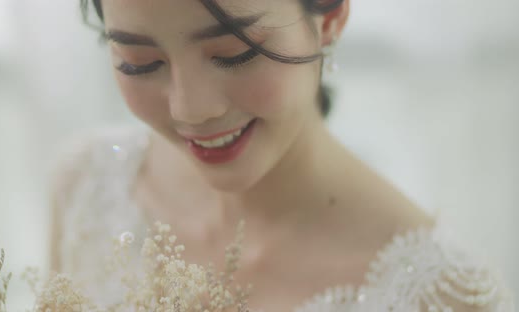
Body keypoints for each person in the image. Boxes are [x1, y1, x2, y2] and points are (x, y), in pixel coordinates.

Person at [48, 0, 514, 311]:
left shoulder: (446, 295)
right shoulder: (87, 185)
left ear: (329, 17)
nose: (189, 109)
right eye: (140, 63)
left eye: (234, 54)